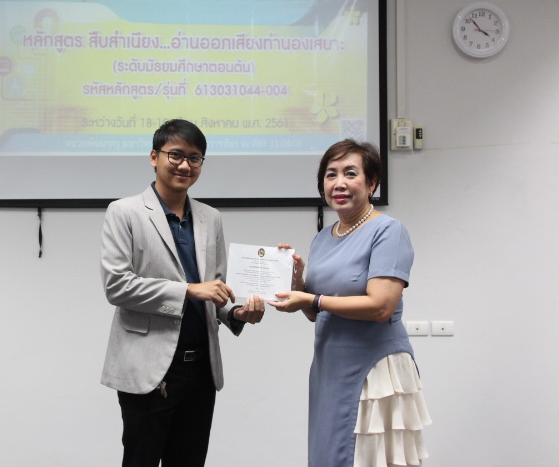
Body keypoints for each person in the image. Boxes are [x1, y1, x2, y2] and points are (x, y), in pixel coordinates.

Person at [100, 119, 265, 467]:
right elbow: (117, 285)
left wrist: (236, 313)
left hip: (201, 369)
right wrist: (189, 290)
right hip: (148, 368)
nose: (185, 165)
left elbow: (215, 289)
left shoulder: (210, 217)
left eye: (195, 158)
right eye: (175, 155)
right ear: (154, 157)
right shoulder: (124, 212)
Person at [269, 139, 431, 467]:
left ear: (372, 183)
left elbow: (381, 306)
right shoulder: (323, 237)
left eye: (350, 173)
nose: (339, 183)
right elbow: (315, 312)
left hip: (374, 368)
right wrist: (296, 282)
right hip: (329, 367)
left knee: (368, 458)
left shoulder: (388, 230)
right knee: (329, 454)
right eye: (331, 175)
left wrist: (312, 297)